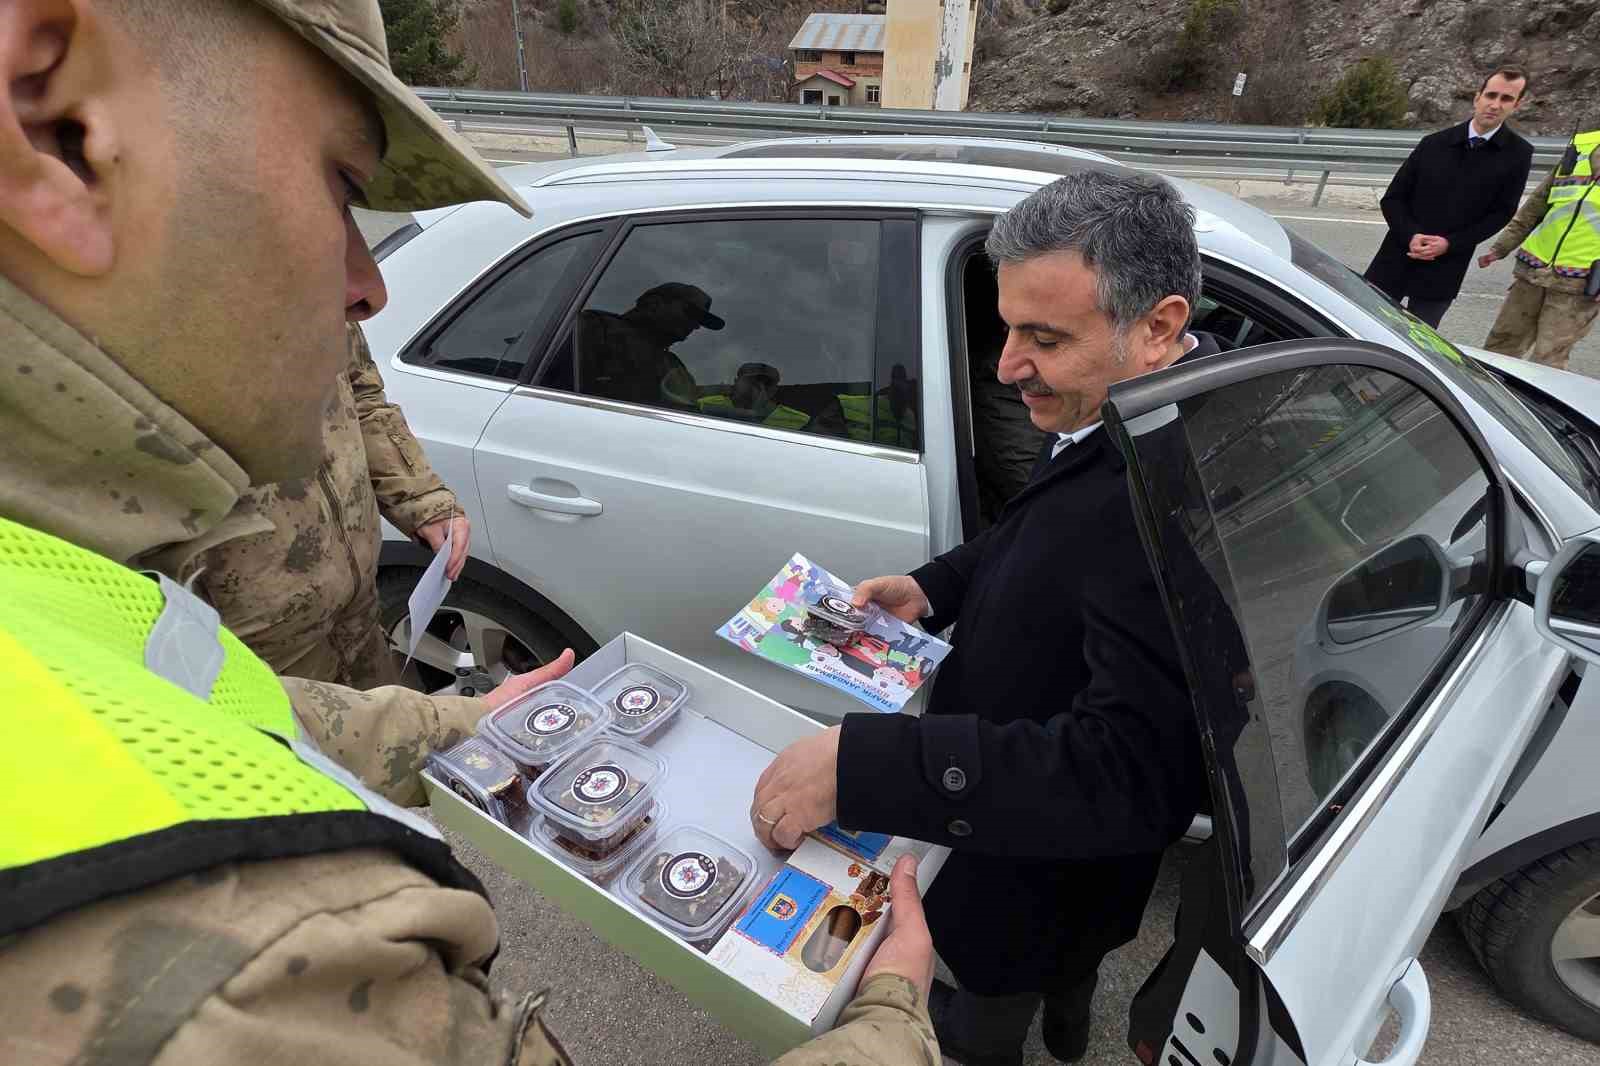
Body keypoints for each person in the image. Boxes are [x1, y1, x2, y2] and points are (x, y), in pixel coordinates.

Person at [0, 2, 937, 1064]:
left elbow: (208, 700)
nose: (369, 282)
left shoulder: (47, 562)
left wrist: (459, 726)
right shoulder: (262, 966)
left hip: (348, 624)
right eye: (342, 185)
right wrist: (890, 1016)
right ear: (54, 122)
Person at [749, 170, 1216, 1065]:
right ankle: (1071, 1027)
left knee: (990, 1006)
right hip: (1033, 827)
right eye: (1006, 328)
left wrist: (864, 760)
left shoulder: (1168, 497)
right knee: (1069, 968)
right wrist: (937, 587)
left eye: (1043, 337)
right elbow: (1038, 529)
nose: (1006, 366)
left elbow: (1122, 775)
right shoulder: (1115, 404)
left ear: (1156, 327)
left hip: (1038, 860)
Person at [199, 322, 470, 688]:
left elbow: (360, 395)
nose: (369, 296)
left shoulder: (320, 281)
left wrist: (420, 495)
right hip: (257, 665)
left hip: (359, 618)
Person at [1364, 67, 1535, 328]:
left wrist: (1449, 244)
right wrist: (1410, 235)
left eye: (1506, 99)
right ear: (1477, 97)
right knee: (1365, 327)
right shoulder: (1434, 143)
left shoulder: (1518, 154)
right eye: (1491, 95)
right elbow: (1393, 198)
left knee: (1418, 342)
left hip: (1446, 267)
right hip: (1396, 257)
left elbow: (1501, 212)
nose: (1495, 105)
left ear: (1518, 104)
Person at [1480, 126, 1600, 371]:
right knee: (1501, 344)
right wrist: (1502, 246)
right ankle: (1481, 403)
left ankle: (1530, 409)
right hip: (1533, 270)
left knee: (1548, 362)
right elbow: (1538, 203)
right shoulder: (1582, 145)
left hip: (1578, 286)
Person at [577, 282, 723, 408]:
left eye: (699, 321)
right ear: (654, 304)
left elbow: (688, 413)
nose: (696, 326)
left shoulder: (674, 367)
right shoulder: (596, 327)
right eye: (691, 313)